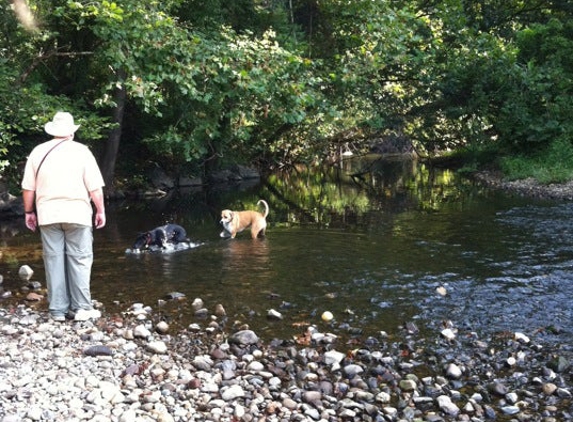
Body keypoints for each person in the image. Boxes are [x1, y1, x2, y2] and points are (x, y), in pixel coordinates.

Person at [21, 111, 106, 322]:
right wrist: (101, 210)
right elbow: (94, 187)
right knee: (80, 260)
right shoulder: (82, 152)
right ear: (71, 132)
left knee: (54, 260)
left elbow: (28, 189)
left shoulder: (37, 152)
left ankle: (58, 310)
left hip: (48, 215)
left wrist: (29, 212)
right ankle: (81, 308)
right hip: (77, 213)